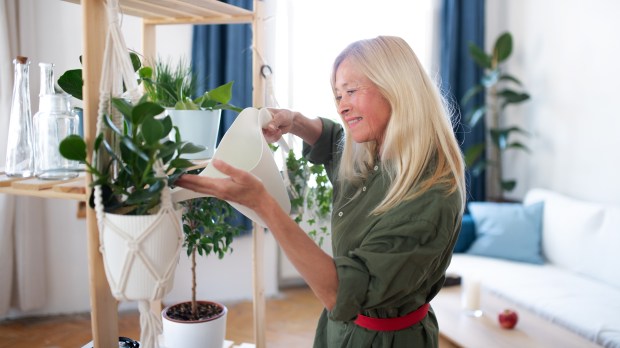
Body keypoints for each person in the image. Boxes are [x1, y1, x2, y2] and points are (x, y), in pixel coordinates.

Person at [176, 35, 466, 347]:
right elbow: (335, 143)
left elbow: (341, 291)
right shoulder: (380, 152)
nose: (342, 106)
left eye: (350, 91)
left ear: (395, 87)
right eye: (337, 95)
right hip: (341, 332)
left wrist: (264, 205)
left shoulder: (429, 196)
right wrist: (295, 122)